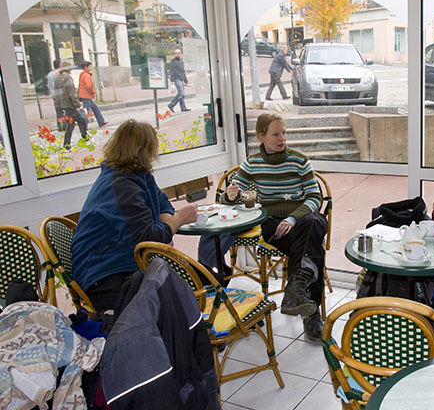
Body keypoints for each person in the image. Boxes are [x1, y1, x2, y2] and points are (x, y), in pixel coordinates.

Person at [72, 119, 197, 316]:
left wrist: (167, 221)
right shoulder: (121, 185)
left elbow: (162, 201)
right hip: (105, 273)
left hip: (123, 261)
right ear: (145, 151)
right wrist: (178, 220)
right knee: (178, 302)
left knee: (187, 284)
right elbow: (148, 237)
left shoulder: (135, 175)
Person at [221, 113, 327, 342]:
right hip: (272, 225)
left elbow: (314, 197)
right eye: (276, 134)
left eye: (284, 132)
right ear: (261, 137)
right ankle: (308, 311)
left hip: (299, 222)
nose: (283, 138)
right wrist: (230, 196)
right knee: (313, 248)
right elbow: (228, 199)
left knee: (314, 222)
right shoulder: (252, 163)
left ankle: (297, 291)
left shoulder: (299, 160)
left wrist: (292, 219)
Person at [54, 61, 87, 149]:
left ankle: (83, 137)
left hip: (62, 104)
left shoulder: (57, 78)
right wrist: (78, 105)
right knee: (73, 124)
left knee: (78, 121)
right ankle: (68, 143)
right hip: (70, 105)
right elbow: (71, 93)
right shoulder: (68, 78)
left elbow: (56, 93)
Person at [78, 61, 107, 128]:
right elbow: (88, 85)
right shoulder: (86, 75)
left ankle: (101, 121)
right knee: (86, 110)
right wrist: (92, 92)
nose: (91, 67)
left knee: (94, 108)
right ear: (86, 67)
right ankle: (84, 125)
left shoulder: (83, 74)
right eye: (89, 66)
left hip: (85, 94)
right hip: (86, 95)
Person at [167, 49, 190, 113]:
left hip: (181, 78)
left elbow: (183, 72)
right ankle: (171, 104)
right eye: (176, 53)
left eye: (179, 53)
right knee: (181, 93)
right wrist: (172, 81)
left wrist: (186, 80)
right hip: (177, 79)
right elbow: (172, 72)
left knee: (182, 94)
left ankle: (183, 107)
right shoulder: (173, 62)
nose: (178, 54)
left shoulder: (181, 62)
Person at [46, 59, 65, 131]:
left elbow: (49, 85)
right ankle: (63, 124)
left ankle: (60, 125)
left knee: (58, 110)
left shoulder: (50, 74)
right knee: (63, 109)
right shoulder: (58, 73)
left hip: (54, 94)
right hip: (60, 94)